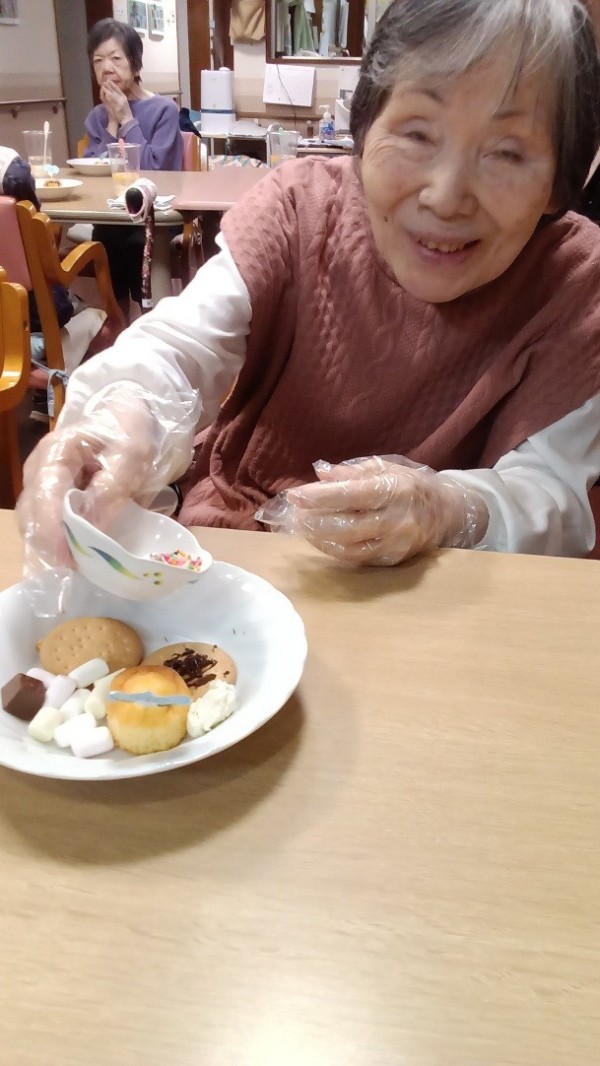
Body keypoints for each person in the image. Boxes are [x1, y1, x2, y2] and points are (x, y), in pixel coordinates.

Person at [16, 0, 600, 579]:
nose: (446, 198)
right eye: (418, 133)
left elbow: (551, 491)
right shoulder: (301, 209)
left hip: (446, 587)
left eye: (507, 153)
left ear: (561, 179)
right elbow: (180, 345)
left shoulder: (574, 281)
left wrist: (446, 510)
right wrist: (121, 419)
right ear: (365, 130)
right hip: (241, 549)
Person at [84, 18, 182, 317]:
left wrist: (127, 119)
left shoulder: (164, 109)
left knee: (135, 241)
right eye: (98, 60)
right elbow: (95, 175)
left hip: (156, 216)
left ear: (135, 64)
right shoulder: (97, 116)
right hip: (113, 217)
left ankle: (153, 322)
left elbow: (154, 170)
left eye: (115, 58)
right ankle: (117, 322)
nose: (106, 68)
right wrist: (112, 123)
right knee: (107, 237)